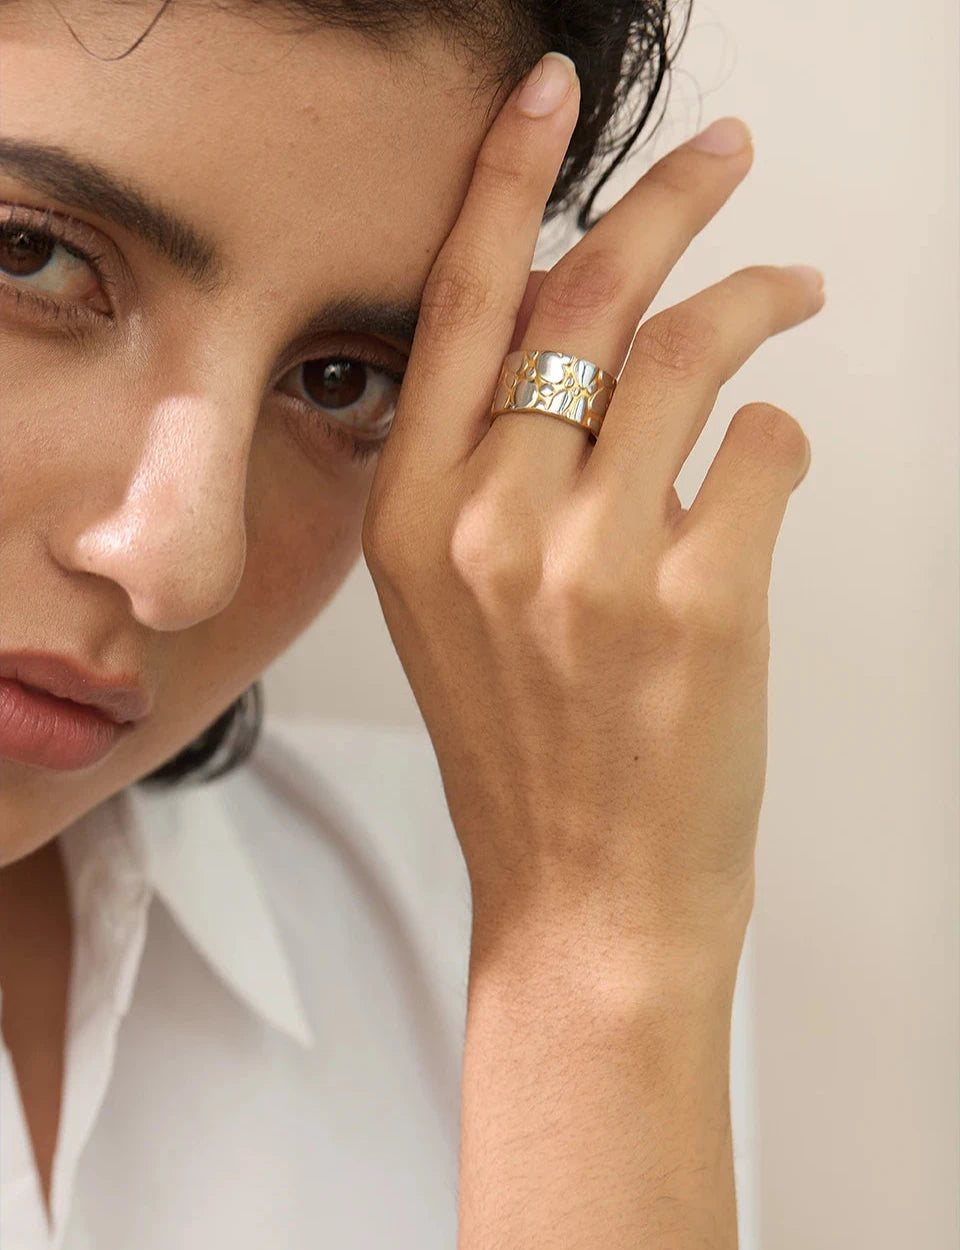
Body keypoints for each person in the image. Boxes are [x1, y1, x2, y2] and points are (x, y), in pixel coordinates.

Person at [0, 0, 825, 1245]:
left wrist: (594, 966)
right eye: (31, 256)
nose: (180, 563)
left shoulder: (525, 904)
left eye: (345, 378)